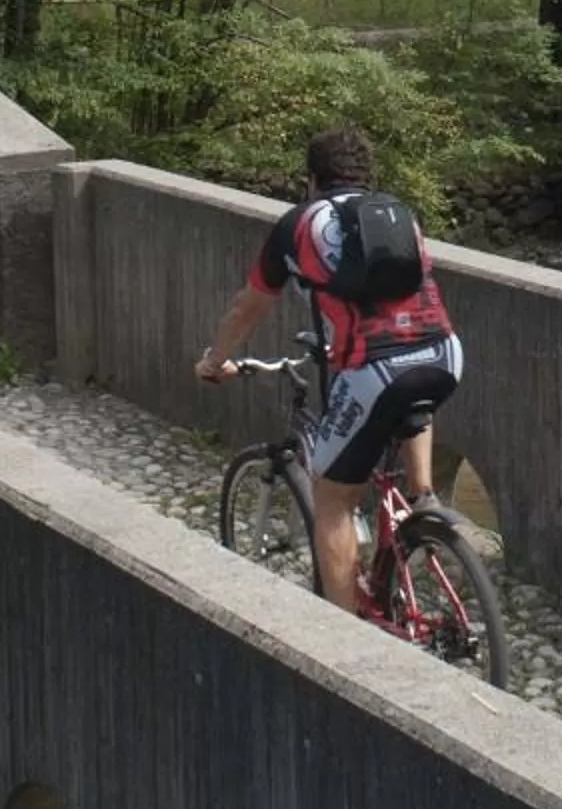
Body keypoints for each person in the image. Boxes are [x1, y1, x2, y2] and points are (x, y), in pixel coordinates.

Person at [196, 125, 463, 616]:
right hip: (444, 353)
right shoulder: (399, 214)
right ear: (367, 176)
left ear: (313, 179)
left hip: (375, 370)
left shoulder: (299, 223)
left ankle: (344, 632)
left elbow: (248, 308)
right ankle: (422, 496)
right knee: (412, 394)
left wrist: (216, 359)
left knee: (334, 499)